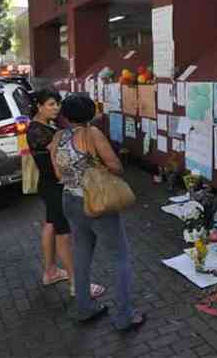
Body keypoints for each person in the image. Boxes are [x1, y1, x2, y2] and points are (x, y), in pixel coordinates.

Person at [52, 95, 145, 330]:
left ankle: (84, 308)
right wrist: (98, 167)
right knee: (120, 257)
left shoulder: (58, 137)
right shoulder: (92, 134)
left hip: (69, 200)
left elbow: (59, 175)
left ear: (65, 114)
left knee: (81, 256)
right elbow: (116, 166)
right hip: (96, 202)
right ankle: (125, 316)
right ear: (90, 112)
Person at [26, 90, 105, 298]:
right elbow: (60, 156)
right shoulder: (38, 131)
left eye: (58, 104)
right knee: (64, 234)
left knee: (51, 225)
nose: (56, 108)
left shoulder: (46, 126)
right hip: (54, 187)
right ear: (39, 106)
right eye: (51, 104)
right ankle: (76, 284)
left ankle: (51, 271)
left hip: (50, 186)